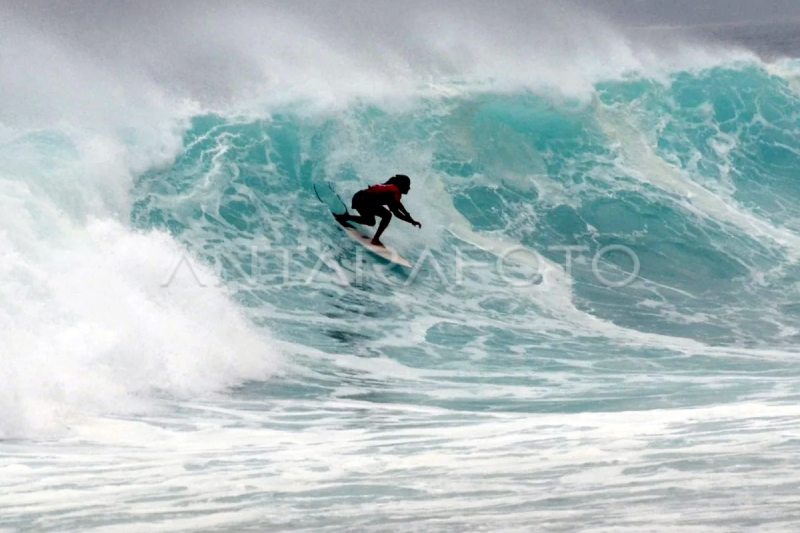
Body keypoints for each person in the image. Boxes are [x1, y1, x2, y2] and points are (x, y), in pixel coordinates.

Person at [335, 174, 422, 246]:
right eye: (407, 186)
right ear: (401, 185)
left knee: (370, 222)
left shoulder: (393, 192)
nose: (408, 188)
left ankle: (344, 217)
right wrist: (410, 219)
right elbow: (398, 209)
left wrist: (411, 221)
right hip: (362, 200)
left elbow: (397, 212)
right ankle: (375, 239)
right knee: (387, 215)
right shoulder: (393, 190)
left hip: (361, 199)